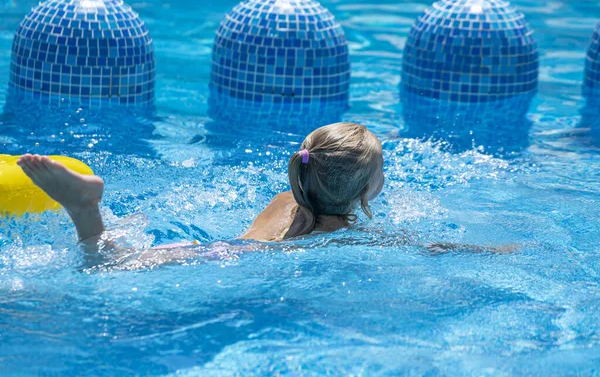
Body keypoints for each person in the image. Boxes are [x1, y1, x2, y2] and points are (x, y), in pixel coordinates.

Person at [16, 122, 385, 256]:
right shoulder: (342, 234)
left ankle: (88, 211)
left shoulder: (288, 197)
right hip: (214, 259)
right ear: (366, 190)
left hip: (206, 247)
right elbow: (394, 242)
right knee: (101, 267)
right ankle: (83, 206)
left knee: (114, 256)